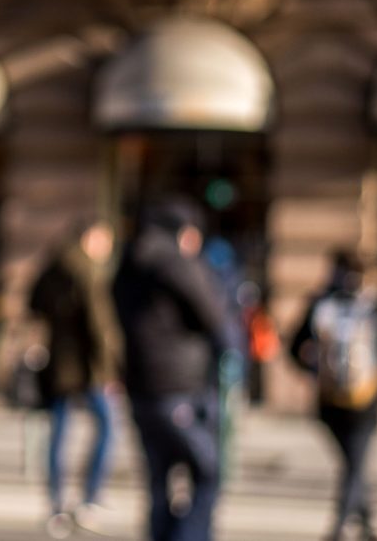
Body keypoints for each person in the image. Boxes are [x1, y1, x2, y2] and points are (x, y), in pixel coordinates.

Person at [113, 197, 229, 541]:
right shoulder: (175, 263)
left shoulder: (127, 263)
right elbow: (214, 316)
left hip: (140, 388)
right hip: (178, 386)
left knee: (159, 480)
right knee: (208, 472)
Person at [26, 219, 120, 537]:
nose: (107, 248)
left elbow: (33, 303)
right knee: (107, 426)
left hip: (58, 365)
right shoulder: (89, 271)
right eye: (104, 240)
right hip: (87, 367)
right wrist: (111, 368)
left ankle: (56, 505)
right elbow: (100, 325)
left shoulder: (54, 266)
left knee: (58, 434)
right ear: (89, 238)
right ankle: (89, 498)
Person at [290, 251, 377, 541]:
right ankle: (341, 528)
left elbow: (294, 348)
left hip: (329, 401)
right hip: (365, 401)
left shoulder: (320, 304)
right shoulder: (372, 305)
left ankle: (360, 525)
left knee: (353, 461)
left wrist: (316, 370)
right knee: (354, 463)